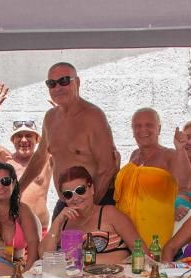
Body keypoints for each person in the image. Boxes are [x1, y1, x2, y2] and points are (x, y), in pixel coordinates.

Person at [16, 62, 118, 204]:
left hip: (96, 203)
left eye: (64, 81)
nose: (58, 88)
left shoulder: (94, 117)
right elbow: (40, 157)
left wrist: (89, 211)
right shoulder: (50, 118)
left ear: (77, 82)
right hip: (66, 203)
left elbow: (107, 168)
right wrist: (16, 191)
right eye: (51, 83)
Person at [114, 107, 191, 247]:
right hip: (126, 233)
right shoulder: (134, 155)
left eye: (149, 125)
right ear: (133, 131)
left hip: (154, 230)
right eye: (138, 126)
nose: (143, 130)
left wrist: (180, 150)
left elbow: (184, 183)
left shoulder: (169, 155)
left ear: (159, 129)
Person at [40, 166, 142, 264]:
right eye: (68, 194)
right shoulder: (64, 222)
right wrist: (57, 222)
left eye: (80, 190)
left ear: (92, 188)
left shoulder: (110, 214)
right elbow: (44, 257)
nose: (75, 198)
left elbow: (142, 253)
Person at [0, 120, 54, 231]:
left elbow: (69, 144)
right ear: (12, 140)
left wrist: (65, 116)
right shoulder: (5, 159)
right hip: (9, 230)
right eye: (19, 136)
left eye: (29, 135)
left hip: (39, 230)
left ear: (38, 139)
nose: (24, 140)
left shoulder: (47, 160)